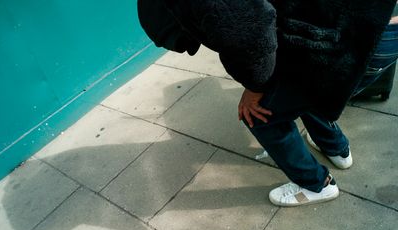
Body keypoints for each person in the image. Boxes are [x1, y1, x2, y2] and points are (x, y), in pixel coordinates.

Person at [138, 0, 397, 206]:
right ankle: (336, 148)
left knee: (259, 115)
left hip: (358, 32)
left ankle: (317, 185)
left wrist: (254, 88)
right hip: (371, 19)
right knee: (309, 87)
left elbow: (251, 33)